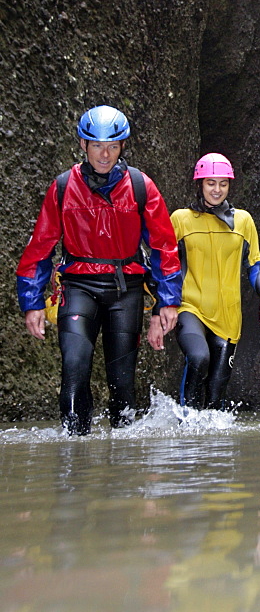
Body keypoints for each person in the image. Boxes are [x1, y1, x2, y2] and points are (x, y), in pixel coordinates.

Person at [16, 105, 182, 435]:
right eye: (96, 146)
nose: (104, 155)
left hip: (126, 289)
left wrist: (167, 302)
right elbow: (41, 247)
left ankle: (121, 465)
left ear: (122, 147)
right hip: (78, 287)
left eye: (112, 146)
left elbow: (164, 247)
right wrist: (32, 303)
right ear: (82, 144)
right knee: (74, 367)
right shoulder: (63, 187)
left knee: (122, 383)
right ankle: (74, 455)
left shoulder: (140, 186)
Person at [149, 152, 260, 410]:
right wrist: (157, 311)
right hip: (189, 306)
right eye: (210, 183)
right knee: (198, 357)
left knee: (217, 392)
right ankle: (187, 423)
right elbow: (163, 268)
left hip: (228, 315)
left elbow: (255, 265)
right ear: (199, 184)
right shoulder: (180, 219)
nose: (217, 190)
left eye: (223, 183)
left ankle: (209, 443)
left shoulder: (243, 221)